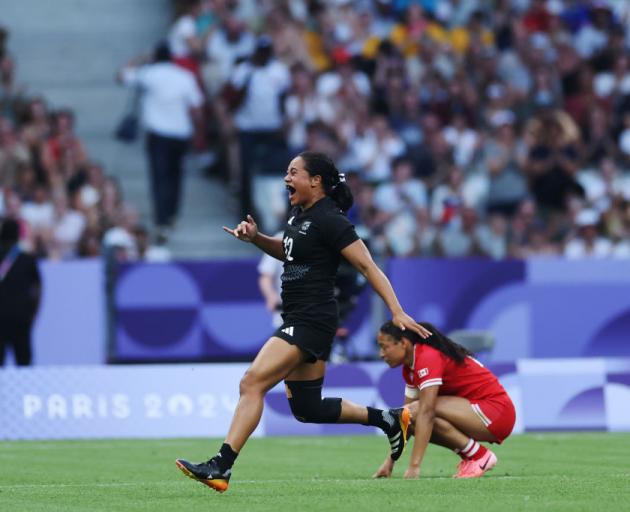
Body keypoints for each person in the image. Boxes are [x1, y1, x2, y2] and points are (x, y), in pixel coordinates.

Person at [175, 151, 431, 492]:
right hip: (302, 317)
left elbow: (368, 265)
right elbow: (287, 251)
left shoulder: (332, 220)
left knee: (252, 383)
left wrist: (396, 311)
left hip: (311, 318)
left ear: (316, 181)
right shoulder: (299, 215)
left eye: (293, 172)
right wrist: (256, 239)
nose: (286, 179)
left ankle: (221, 466)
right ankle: (387, 418)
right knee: (308, 409)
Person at [373, 321, 516, 480]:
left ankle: (479, 457)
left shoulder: (427, 356)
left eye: (384, 347)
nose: (381, 354)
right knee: (409, 416)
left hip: (497, 412)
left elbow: (426, 411)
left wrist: (414, 467)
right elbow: (405, 420)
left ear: (404, 343)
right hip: (478, 412)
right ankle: (477, 456)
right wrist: (389, 462)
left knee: (418, 410)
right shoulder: (410, 368)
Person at [118, 41, 204, 241]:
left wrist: (140, 58)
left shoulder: (150, 74)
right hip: (180, 133)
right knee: (175, 176)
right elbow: (197, 107)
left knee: (159, 177)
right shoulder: (185, 76)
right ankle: (172, 215)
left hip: (158, 134)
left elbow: (122, 76)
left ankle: (161, 220)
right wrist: (198, 135)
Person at [0, 218, 41, 366]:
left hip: (2, 318)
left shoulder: (26, 259)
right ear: (18, 236)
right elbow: (38, 288)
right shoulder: (27, 259)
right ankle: (27, 390)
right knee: (24, 363)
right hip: (21, 318)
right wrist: (34, 312)